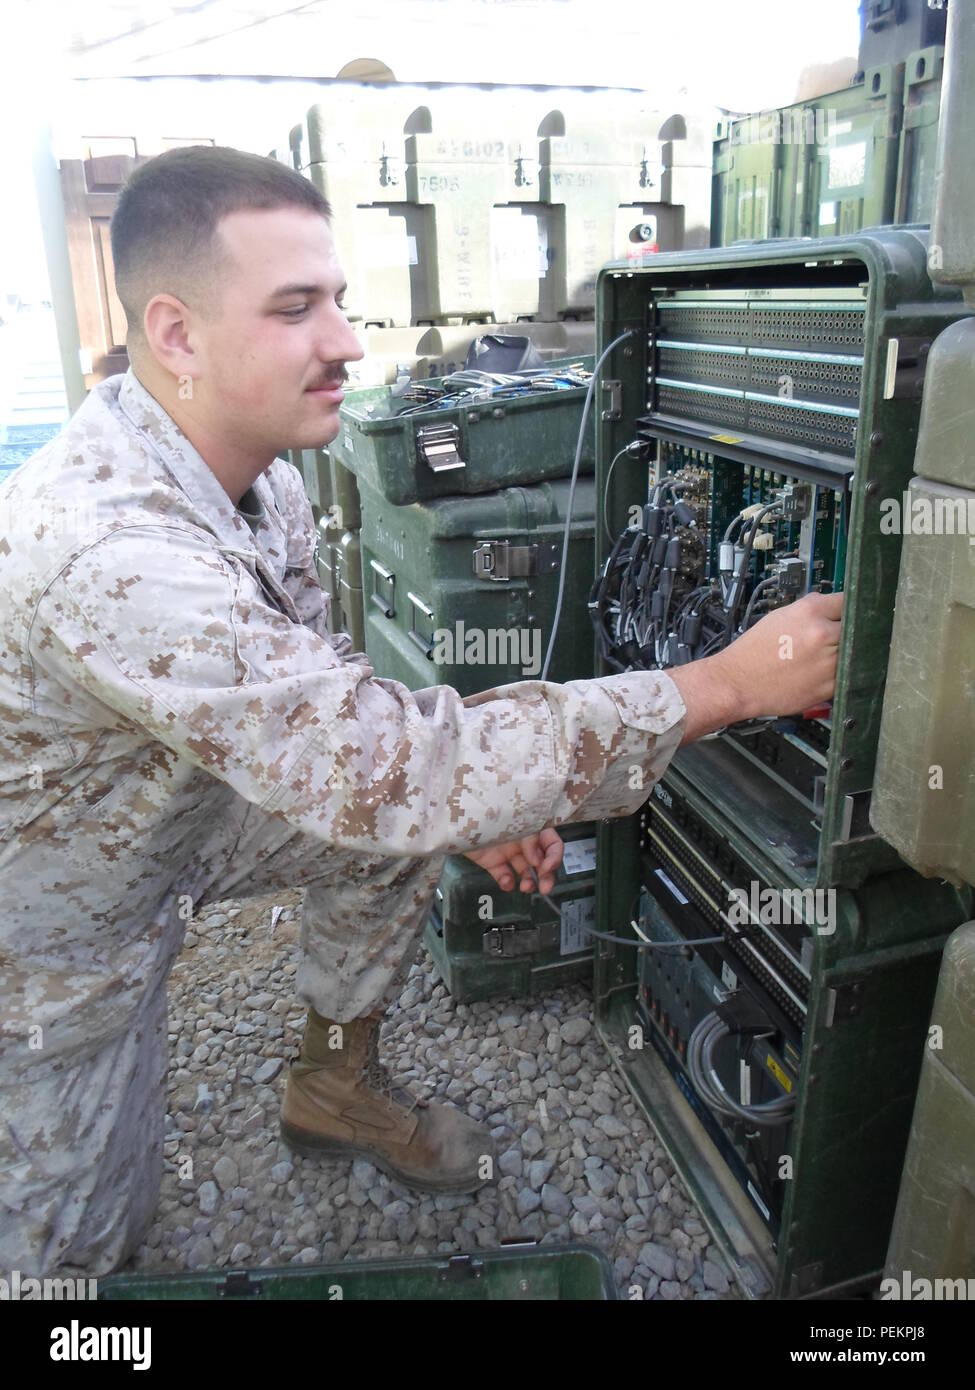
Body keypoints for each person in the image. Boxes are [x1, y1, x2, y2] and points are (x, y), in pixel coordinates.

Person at [0, 146, 843, 1278]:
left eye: (337, 300)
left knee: (403, 822)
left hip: (171, 813)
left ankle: (332, 1084)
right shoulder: (110, 548)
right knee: (75, 1245)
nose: (346, 341)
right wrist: (725, 686)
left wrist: (462, 806)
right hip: (52, 930)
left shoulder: (260, 470)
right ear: (178, 334)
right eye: (296, 308)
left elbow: (330, 687)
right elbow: (382, 761)